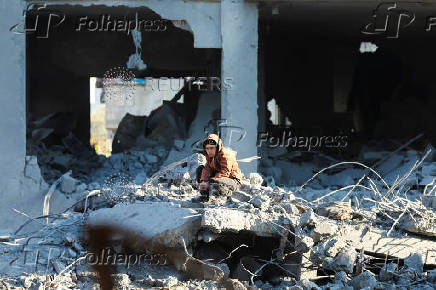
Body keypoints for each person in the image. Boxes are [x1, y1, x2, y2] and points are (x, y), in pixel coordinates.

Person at [195, 134, 243, 201]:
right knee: (200, 170)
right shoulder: (210, 156)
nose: (209, 151)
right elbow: (207, 169)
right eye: (207, 148)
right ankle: (205, 196)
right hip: (219, 178)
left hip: (232, 180)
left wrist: (209, 182)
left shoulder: (226, 155)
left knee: (215, 182)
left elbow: (225, 172)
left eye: (211, 148)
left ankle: (230, 195)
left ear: (217, 147)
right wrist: (203, 182)